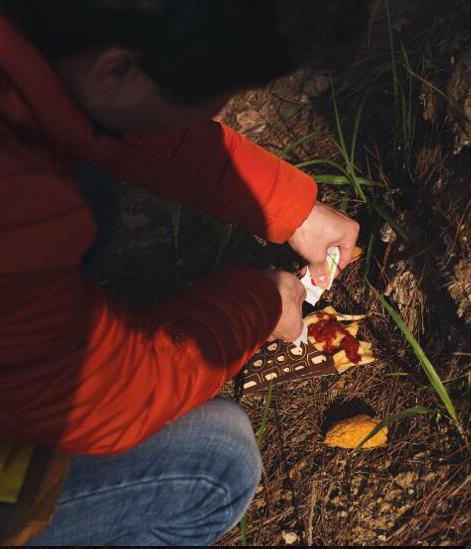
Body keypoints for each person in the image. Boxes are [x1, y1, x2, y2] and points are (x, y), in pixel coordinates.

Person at [0, 1, 367, 545]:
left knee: (90, 189)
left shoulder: (38, 52)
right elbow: (107, 401)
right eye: (207, 101)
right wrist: (259, 304)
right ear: (117, 66)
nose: (211, 113)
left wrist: (290, 208)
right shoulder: (16, 201)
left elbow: (122, 119)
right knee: (217, 463)